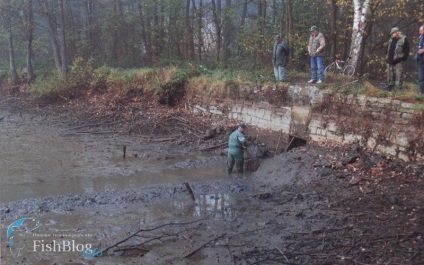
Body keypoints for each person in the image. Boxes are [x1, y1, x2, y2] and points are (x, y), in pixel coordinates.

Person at [415, 25, 424, 94]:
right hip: (420, 59)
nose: (419, 32)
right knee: (421, 77)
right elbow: (417, 46)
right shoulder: (420, 37)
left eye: (421, 30)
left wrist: (423, 50)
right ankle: (421, 91)